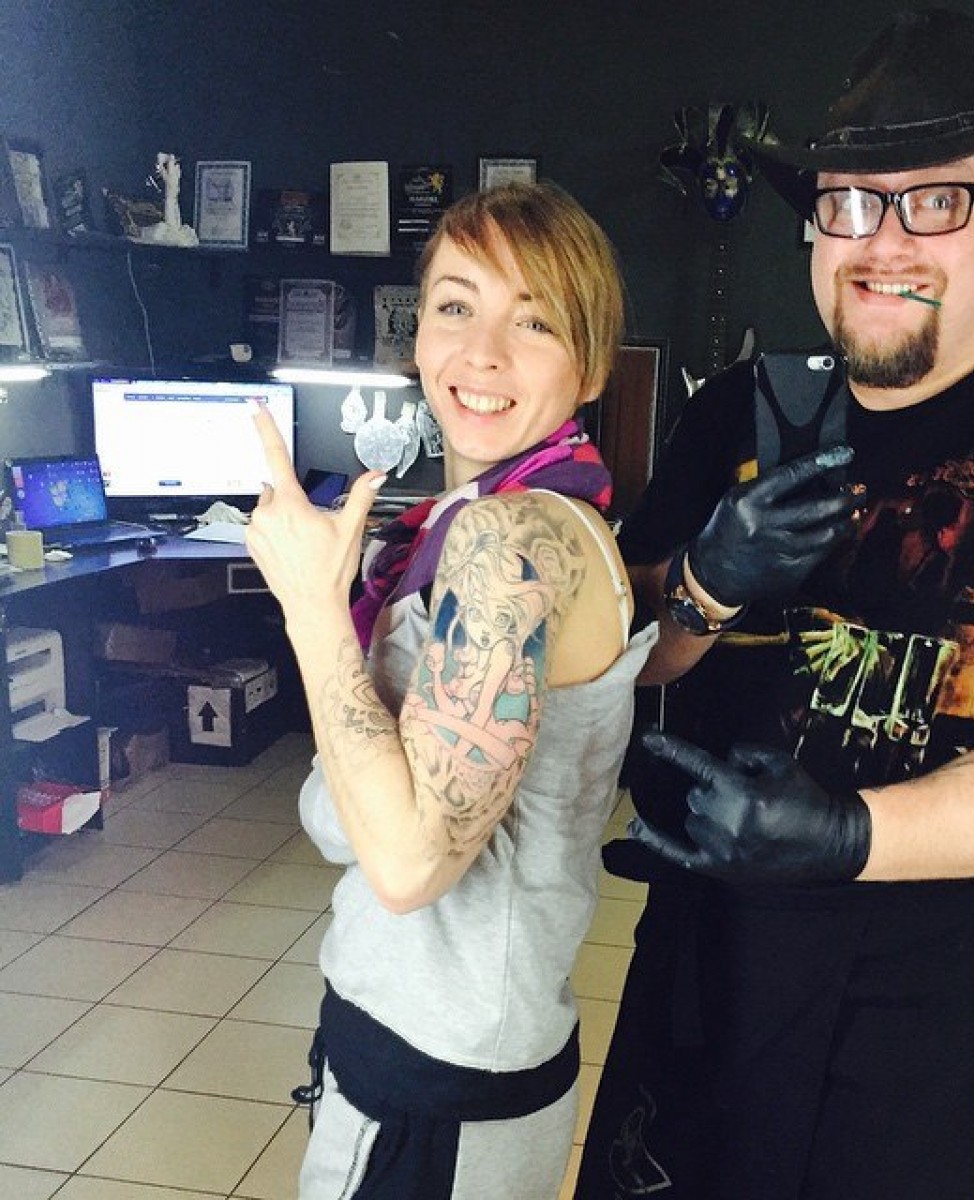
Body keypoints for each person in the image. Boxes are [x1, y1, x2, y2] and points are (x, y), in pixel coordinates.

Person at [576, 10, 974, 1200]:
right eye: (851, 202)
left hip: (938, 1043)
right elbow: (623, 660)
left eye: (938, 200)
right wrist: (703, 584)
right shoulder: (737, 413)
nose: (883, 240)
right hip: (704, 995)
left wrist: (847, 838)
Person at [245, 181, 656, 1200]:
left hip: (440, 1084)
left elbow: (409, 862)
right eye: (456, 305)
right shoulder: (482, 519)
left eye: (535, 322)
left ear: (592, 365)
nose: (482, 353)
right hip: (427, 1050)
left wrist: (311, 606)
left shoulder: (510, 539)